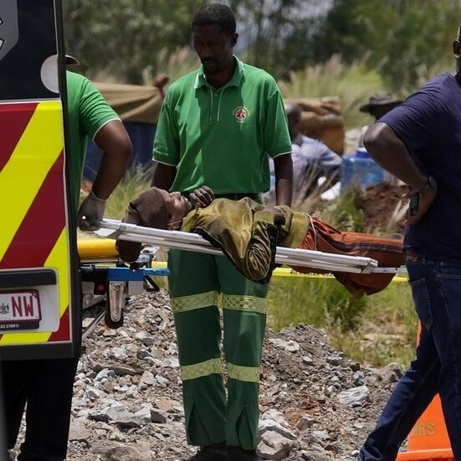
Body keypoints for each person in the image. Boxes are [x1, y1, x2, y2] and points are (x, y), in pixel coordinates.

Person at [356, 8, 461, 461]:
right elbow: (378, 136)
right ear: (457, 48)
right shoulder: (441, 97)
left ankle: (374, 453)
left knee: (431, 369)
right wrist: (422, 183)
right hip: (445, 262)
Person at [149, 4, 292, 460]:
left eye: (214, 43)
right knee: (194, 331)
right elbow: (165, 169)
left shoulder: (262, 87)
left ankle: (241, 439)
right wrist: (153, 220)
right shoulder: (177, 94)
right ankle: (210, 438)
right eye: (199, 43)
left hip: (245, 219)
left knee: (244, 332)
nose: (205, 52)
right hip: (188, 222)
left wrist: (282, 216)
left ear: (233, 40)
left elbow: (282, 160)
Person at [1, 56, 132, 461]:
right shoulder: (72, 86)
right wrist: (96, 200)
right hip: (49, 257)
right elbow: (120, 144)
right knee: (50, 373)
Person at [116, 186, 404, 297]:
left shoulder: (199, 213)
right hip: (302, 237)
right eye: (173, 202)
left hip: (304, 230)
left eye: (172, 192)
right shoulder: (207, 224)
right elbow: (256, 268)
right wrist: (266, 223)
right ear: (170, 222)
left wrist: (204, 197)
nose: (178, 194)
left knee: (377, 259)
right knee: (392, 252)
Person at [284, 102, 342, 197]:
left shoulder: (314, 149)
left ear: (296, 121)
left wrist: (314, 195)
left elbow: (339, 170)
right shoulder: (261, 146)